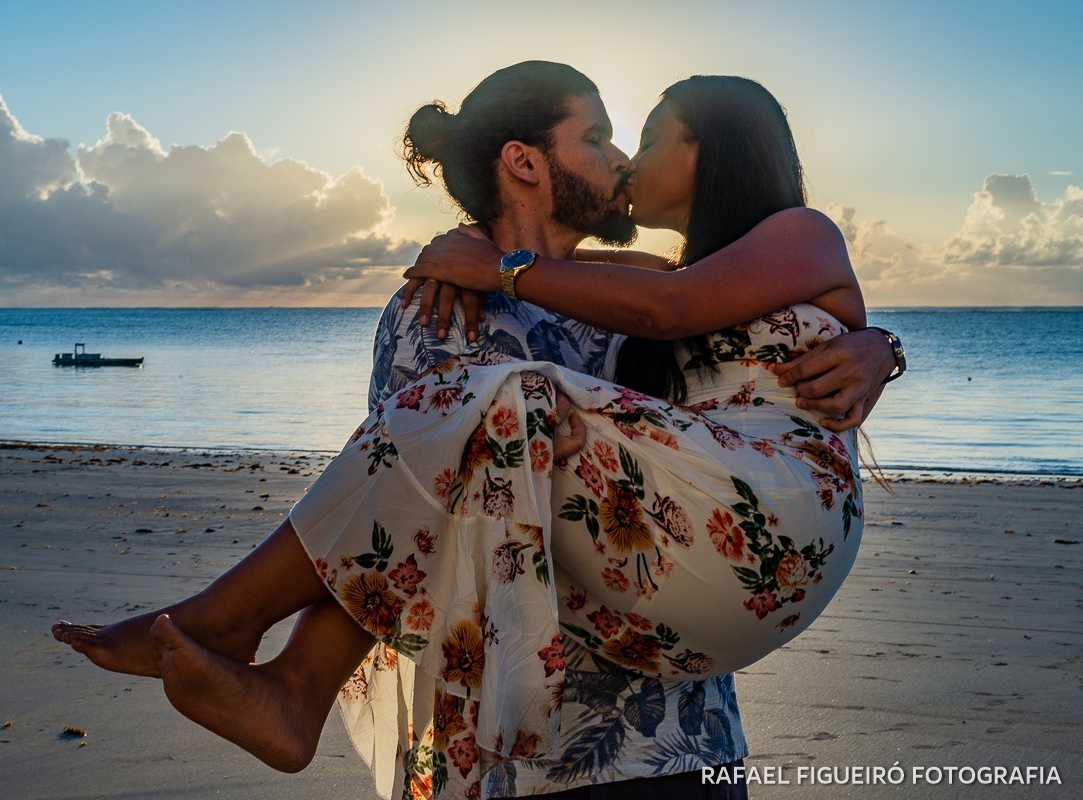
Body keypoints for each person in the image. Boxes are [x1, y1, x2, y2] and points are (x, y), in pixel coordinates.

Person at [52, 62, 901, 800]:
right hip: (521, 761)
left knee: (498, 400)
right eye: (601, 136)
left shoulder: (655, 295)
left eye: (640, 138)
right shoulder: (443, 309)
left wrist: (882, 348)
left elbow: (689, 311)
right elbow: (397, 518)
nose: (624, 159)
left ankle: (251, 639)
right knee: (471, 418)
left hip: (681, 740)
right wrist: (492, 283)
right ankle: (286, 671)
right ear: (524, 160)